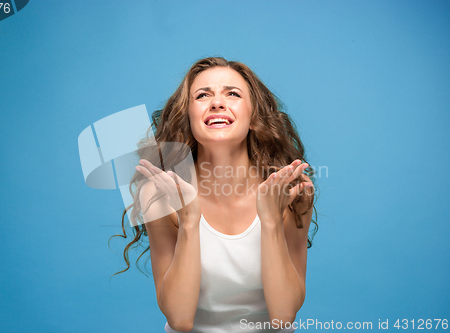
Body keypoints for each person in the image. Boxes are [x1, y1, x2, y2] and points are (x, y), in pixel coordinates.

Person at [112, 57, 317, 332]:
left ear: (254, 118)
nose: (217, 102)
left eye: (232, 94)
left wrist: (269, 221)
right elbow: (180, 319)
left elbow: (283, 317)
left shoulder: (289, 190)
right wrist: (188, 220)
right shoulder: (160, 193)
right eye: (203, 95)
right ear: (189, 118)